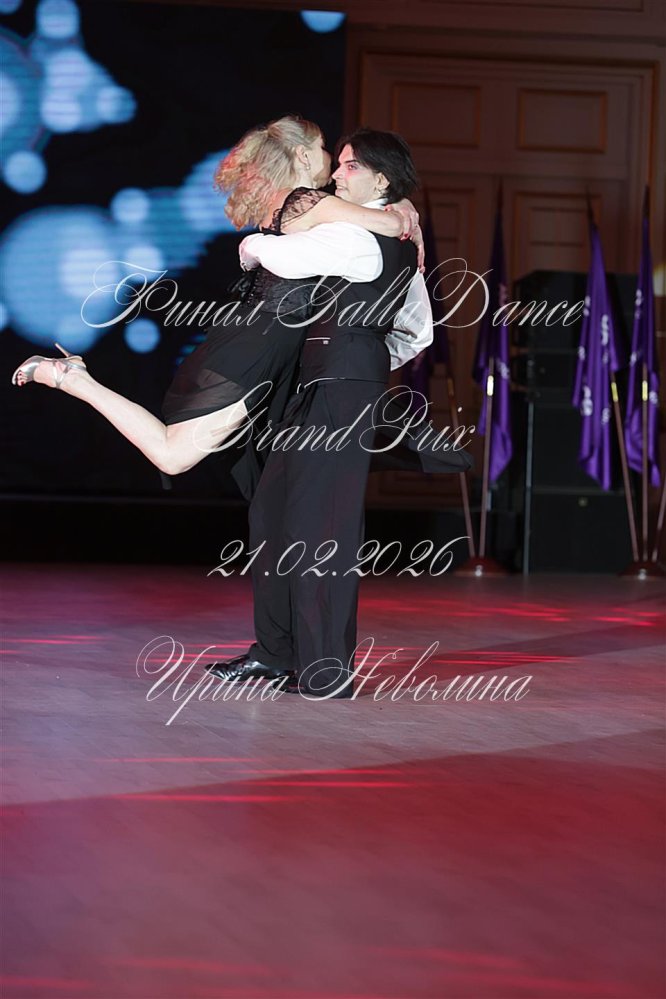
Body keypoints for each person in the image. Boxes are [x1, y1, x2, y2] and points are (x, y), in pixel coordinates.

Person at [11, 116, 421, 495]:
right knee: (174, 455)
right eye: (324, 149)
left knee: (197, 456)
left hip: (269, 338)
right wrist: (404, 218)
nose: (332, 164)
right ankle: (72, 378)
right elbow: (381, 222)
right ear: (303, 154)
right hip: (263, 341)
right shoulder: (304, 199)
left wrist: (402, 207)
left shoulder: (300, 202)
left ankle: (74, 378)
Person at [205, 128, 471, 698]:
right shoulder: (388, 230)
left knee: (321, 530)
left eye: (351, 167)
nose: (337, 175)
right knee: (273, 513)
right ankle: (276, 653)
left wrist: (356, 355)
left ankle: (324, 670)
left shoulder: (358, 235)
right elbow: (415, 331)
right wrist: (366, 350)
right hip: (323, 386)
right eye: (340, 163)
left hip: (340, 393)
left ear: (381, 178)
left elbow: (271, 251)